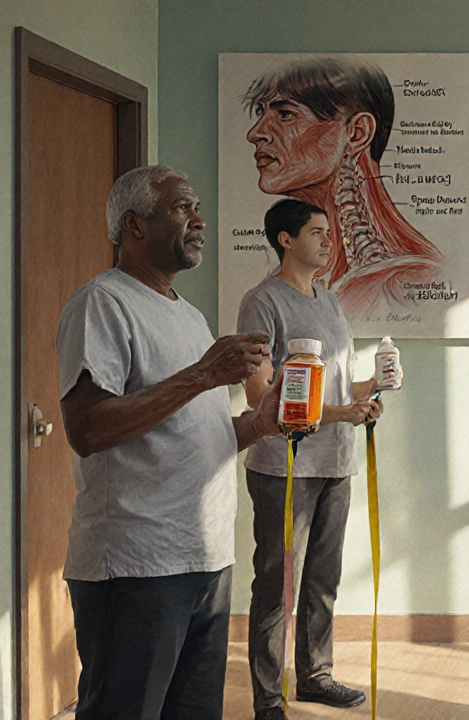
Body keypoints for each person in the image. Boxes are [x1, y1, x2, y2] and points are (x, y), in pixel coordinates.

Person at [57, 166, 281, 719]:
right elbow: (87, 428)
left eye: (196, 206)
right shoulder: (103, 304)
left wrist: (262, 422)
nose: (198, 219)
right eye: (182, 208)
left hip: (205, 559)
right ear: (134, 226)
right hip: (136, 568)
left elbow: (198, 436)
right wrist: (204, 374)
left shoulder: (190, 317)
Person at [237, 199, 385, 719]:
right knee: (278, 587)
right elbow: (259, 395)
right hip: (284, 467)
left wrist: (371, 392)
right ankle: (268, 700)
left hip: (336, 463)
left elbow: (340, 385)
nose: (328, 240)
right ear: (285, 239)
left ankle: (316, 677)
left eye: (329, 232)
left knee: (323, 580)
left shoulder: (330, 299)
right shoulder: (262, 302)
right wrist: (342, 411)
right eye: (317, 232)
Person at [245, 57, 442, 319]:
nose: (256, 133)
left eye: (285, 114)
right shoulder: (280, 290)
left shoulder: (408, 282)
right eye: (261, 112)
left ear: (356, 133)